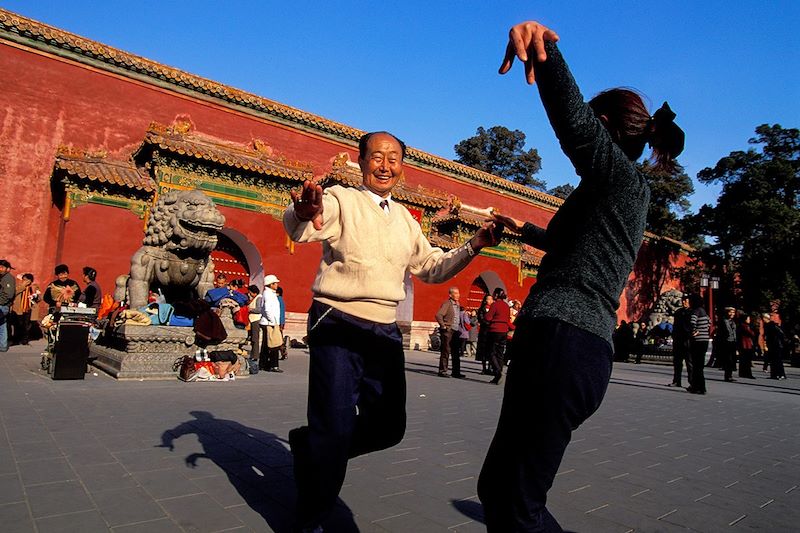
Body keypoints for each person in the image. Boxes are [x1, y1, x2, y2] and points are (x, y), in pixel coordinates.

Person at [478, 20, 685, 532]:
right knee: (499, 489)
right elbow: (566, 245)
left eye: (597, 123)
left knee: (517, 503)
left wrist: (545, 52)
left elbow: (573, 122)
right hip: (561, 342)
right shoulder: (609, 194)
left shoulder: (619, 177)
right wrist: (519, 227)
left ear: (609, 127)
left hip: (565, 343)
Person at [282, 130, 499, 532]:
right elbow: (305, 226)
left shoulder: (405, 220)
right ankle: (311, 517)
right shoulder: (341, 199)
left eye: (394, 158)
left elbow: (432, 267)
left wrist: (474, 245)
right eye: (377, 156)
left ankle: (312, 446)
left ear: (402, 167)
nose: (385, 165)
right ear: (361, 161)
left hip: (384, 330)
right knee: (335, 426)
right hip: (338, 319)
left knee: (388, 427)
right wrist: (301, 211)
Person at [484, 287, 511, 385]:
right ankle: (498, 375)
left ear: (496, 295)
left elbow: (488, 317)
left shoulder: (495, 305)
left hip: (494, 330)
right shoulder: (506, 306)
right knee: (500, 353)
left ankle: (497, 372)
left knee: (490, 352)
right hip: (504, 331)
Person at [435, 286, 464, 378]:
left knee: (456, 352)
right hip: (448, 330)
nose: (457, 295)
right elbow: (438, 314)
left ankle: (456, 372)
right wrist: (443, 325)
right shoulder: (447, 304)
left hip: (456, 331)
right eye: (455, 293)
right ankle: (442, 371)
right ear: (450, 295)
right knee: (446, 351)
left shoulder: (458, 304)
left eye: (458, 293)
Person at [258, 274, 283, 373]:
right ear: (270, 284)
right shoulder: (268, 294)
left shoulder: (270, 293)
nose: (277, 285)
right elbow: (268, 309)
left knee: (266, 344)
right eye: (275, 283)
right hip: (270, 323)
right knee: (274, 344)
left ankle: (263, 364)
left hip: (269, 322)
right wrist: (273, 322)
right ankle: (274, 365)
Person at [687, 295, 710, 394]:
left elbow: (692, 323)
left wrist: (695, 331)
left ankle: (698, 387)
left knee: (696, 366)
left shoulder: (695, 311)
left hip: (697, 341)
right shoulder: (704, 312)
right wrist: (702, 330)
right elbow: (709, 323)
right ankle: (700, 387)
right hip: (705, 340)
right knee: (700, 365)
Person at [670, 295, 694, 388]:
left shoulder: (692, 312)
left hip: (687, 340)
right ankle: (676, 381)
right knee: (677, 362)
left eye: (686, 301)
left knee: (689, 363)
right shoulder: (678, 312)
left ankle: (691, 381)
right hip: (678, 339)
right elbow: (675, 325)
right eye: (683, 301)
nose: (684, 302)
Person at [10, 273, 37, 346]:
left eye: (27, 280)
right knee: (17, 324)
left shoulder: (33, 287)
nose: (25, 281)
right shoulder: (19, 286)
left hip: (28, 308)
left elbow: (38, 297)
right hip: (19, 308)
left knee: (26, 325)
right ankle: (16, 339)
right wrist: (23, 286)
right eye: (24, 279)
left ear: (31, 281)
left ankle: (25, 339)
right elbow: (14, 293)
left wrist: (35, 297)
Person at [762, 313, 787, 380]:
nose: (763, 319)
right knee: (773, 361)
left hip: (775, 345)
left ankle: (780, 375)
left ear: (766, 318)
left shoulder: (771, 325)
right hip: (773, 345)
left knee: (777, 360)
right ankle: (774, 375)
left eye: (763, 318)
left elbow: (774, 335)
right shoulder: (768, 325)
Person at [476, 294, 495, 375]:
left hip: (491, 331)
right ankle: (484, 368)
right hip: (484, 332)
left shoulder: (494, 309)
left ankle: (490, 368)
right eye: (488, 299)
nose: (490, 301)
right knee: (483, 350)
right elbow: (481, 319)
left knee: (491, 350)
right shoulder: (481, 309)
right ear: (485, 300)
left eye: (491, 299)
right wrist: (488, 323)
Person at [0, 259, 16, 352]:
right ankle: (2, 345)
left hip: (2, 305)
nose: (0, 269)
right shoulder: (3, 277)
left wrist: (1, 302)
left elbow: (9, 294)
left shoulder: (8, 278)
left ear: (7, 269)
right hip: (3, 305)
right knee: (2, 325)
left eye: (2, 267)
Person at [719, 307, 738, 382]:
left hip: (733, 341)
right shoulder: (723, 321)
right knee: (728, 359)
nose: (732, 314)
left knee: (732, 359)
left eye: (733, 312)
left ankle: (730, 374)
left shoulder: (733, 321)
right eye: (730, 312)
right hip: (726, 342)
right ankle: (727, 376)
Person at [246, 284, 262, 367]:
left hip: (255, 320)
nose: (249, 294)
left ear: (254, 292)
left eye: (250, 292)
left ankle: (255, 356)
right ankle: (253, 355)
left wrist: (250, 309)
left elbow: (259, 309)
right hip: (252, 320)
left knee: (255, 338)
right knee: (253, 338)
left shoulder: (259, 298)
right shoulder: (255, 298)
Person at [737, 314, 756, 379]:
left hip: (742, 344)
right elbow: (751, 333)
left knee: (743, 360)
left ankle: (742, 373)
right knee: (747, 360)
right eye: (748, 319)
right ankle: (748, 373)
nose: (749, 320)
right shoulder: (745, 326)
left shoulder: (740, 325)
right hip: (746, 344)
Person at [276, 286, 288, 360]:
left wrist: (281, 323)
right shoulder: (280, 300)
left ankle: (283, 352)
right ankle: (283, 353)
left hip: (278, 322)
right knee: (279, 338)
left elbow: (281, 313)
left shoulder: (278, 300)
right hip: (280, 322)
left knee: (279, 339)